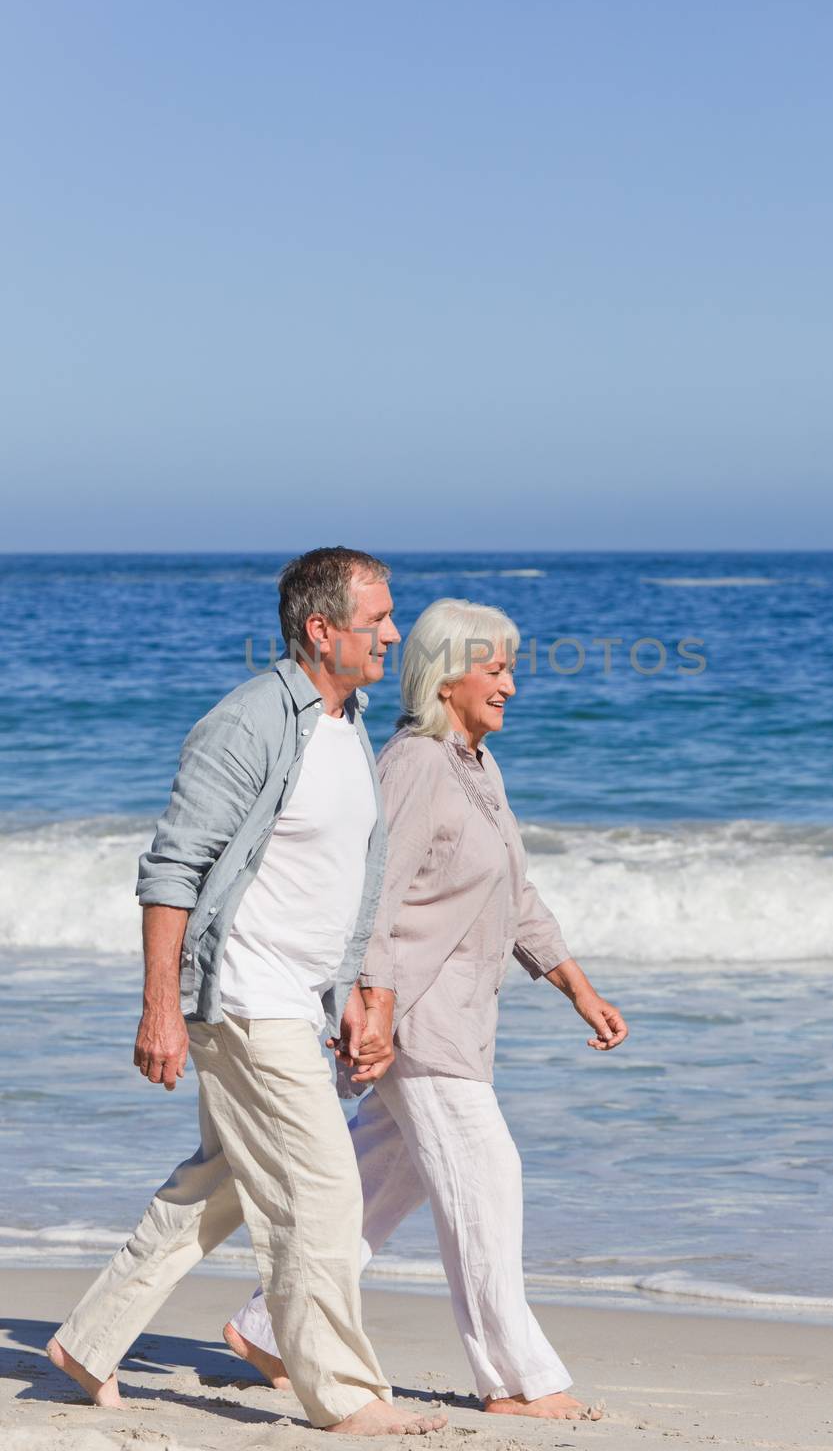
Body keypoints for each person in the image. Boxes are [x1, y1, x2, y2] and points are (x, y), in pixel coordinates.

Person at [47, 546, 447, 1437]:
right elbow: (172, 870)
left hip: (296, 998)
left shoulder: (346, 723)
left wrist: (347, 989)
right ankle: (344, 1394)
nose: (393, 632)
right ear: (320, 629)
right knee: (323, 1193)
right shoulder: (251, 721)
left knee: (220, 1184)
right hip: (242, 996)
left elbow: (338, 877)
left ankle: (88, 1341)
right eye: (376, 618)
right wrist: (160, 1006)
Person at [225, 597, 628, 1421]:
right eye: (499, 667)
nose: (512, 684)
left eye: (514, 666)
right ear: (448, 679)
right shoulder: (414, 764)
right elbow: (372, 895)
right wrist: (368, 1005)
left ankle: (270, 1325)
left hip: (461, 1015)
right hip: (414, 1018)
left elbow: (517, 899)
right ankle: (516, 1378)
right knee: (487, 1175)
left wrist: (579, 989)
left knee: (381, 1179)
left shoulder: (476, 766)